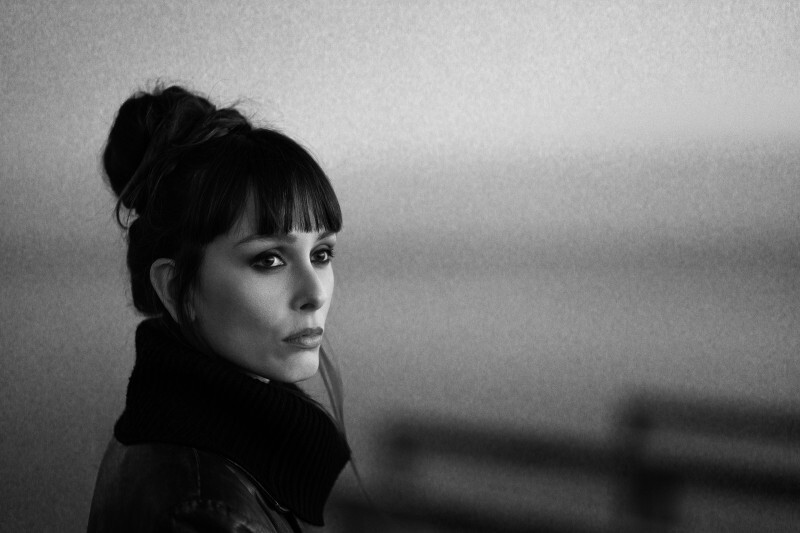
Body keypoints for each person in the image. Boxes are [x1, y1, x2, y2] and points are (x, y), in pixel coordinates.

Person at [87, 85, 351, 533]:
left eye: (321, 254)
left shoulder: (176, 434)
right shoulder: (202, 513)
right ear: (178, 289)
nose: (315, 293)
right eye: (269, 260)